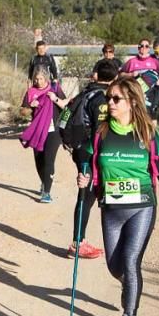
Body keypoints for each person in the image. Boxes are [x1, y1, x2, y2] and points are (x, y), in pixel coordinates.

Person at [76, 75, 159, 316]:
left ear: (132, 101)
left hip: (142, 206)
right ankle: (131, 285)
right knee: (115, 266)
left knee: (131, 262)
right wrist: (84, 173)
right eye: (108, 98)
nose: (109, 102)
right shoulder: (101, 132)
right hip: (111, 207)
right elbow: (86, 156)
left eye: (115, 98)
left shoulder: (147, 133)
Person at [64, 58, 119, 259]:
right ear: (115, 76)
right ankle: (78, 243)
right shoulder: (102, 99)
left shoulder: (87, 92)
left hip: (81, 149)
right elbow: (101, 131)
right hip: (90, 151)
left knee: (88, 194)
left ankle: (80, 240)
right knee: (86, 195)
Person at [20, 67, 68, 203]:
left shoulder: (54, 88)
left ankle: (46, 192)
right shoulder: (31, 92)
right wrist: (30, 106)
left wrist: (55, 99)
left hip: (54, 131)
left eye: (40, 78)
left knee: (49, 160)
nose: (38, 81)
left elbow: (66, 106)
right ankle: (44, 181)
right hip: (37, 131)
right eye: (36, 78)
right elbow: (22, 111)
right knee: (39, 160)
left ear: (46, 78)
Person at [120, 38, 159, 122]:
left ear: (149, 49)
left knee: (151, 119)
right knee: (136, 118)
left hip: (151, 95)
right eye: (141, 46)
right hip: (135, 94)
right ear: (138, 48)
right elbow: (120, 74)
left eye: (146, 46)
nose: (144, 48)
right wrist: (130, 74)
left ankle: (152, 134)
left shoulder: (154, 61)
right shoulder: (132, 61)